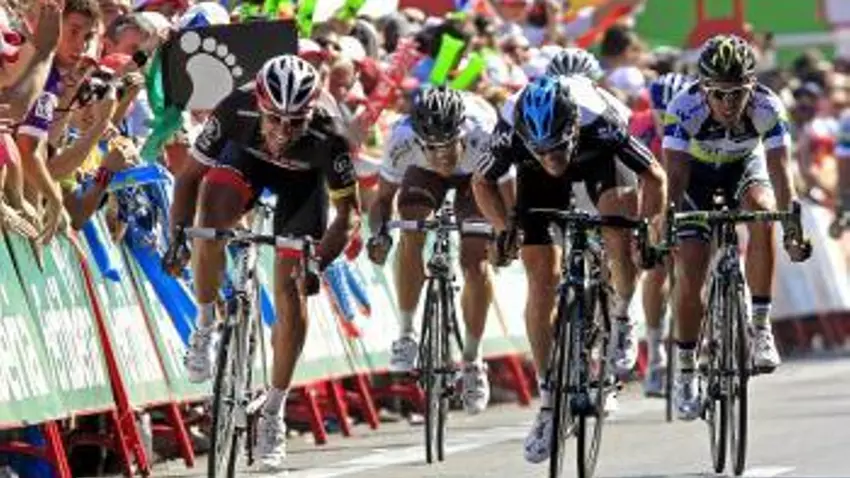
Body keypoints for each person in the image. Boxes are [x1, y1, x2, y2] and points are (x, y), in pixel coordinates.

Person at [164, 55, 359, 471]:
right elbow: (188, 177)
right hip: (246, 161)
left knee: (291, 288)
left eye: (295, 122)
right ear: (259, 103)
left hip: (303, 185)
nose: (283, 132)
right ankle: (205, 324)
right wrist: (178, 235)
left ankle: (273, 411)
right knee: (208, 223)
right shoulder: (236, 107)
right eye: (275, 119)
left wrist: (318, 263)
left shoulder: (330, 134)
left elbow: (349, 214)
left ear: (311, 113)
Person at [472, 75, 666, 463]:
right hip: (537, 183)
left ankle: (622, 315)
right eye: (542, 150)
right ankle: (548, 402)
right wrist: (504, 228)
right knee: (541, 279)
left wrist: (646, 231)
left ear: (573, 127)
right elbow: (481, 183)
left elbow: (655, 177)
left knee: (617, 234)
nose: (551, 158)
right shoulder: (511, 131)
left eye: (556, 147)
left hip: (600, 163)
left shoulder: (601, 122)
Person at [662, 35, 811, 420]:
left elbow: (780, 171)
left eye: (738, 94)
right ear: (703, 89)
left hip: (743, 169)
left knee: (763, 212)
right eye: (719, 94)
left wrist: (791, 227)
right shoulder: (683, 107)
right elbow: (674, 177)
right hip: (695, 178)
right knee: (691, 266)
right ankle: (686, 371)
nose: (729, 104)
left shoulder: (768, 106)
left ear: (752, 87)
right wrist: (665, 225)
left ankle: (760, 327)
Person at [366, 85, 514, 415]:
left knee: (474, 261)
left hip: (476, 178)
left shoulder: (485, 134)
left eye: (449, 144)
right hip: (424, 176)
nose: (443, 155)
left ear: (462, 132)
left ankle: (473, 361)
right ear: (419, 140)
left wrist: (504, 236)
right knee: (410, 228)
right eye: (432, 147)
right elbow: (382, 201)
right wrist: (379, 234)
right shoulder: (401, 139)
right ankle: (406, 333)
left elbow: (507, 199)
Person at [640, 71, 692, 397]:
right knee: (656, 269)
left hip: (687, 195)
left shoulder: (696, 124)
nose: (667, 122)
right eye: (662, 115)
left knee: (696, 266)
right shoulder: (639, 129)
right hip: (652, 198)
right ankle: (656, 348)